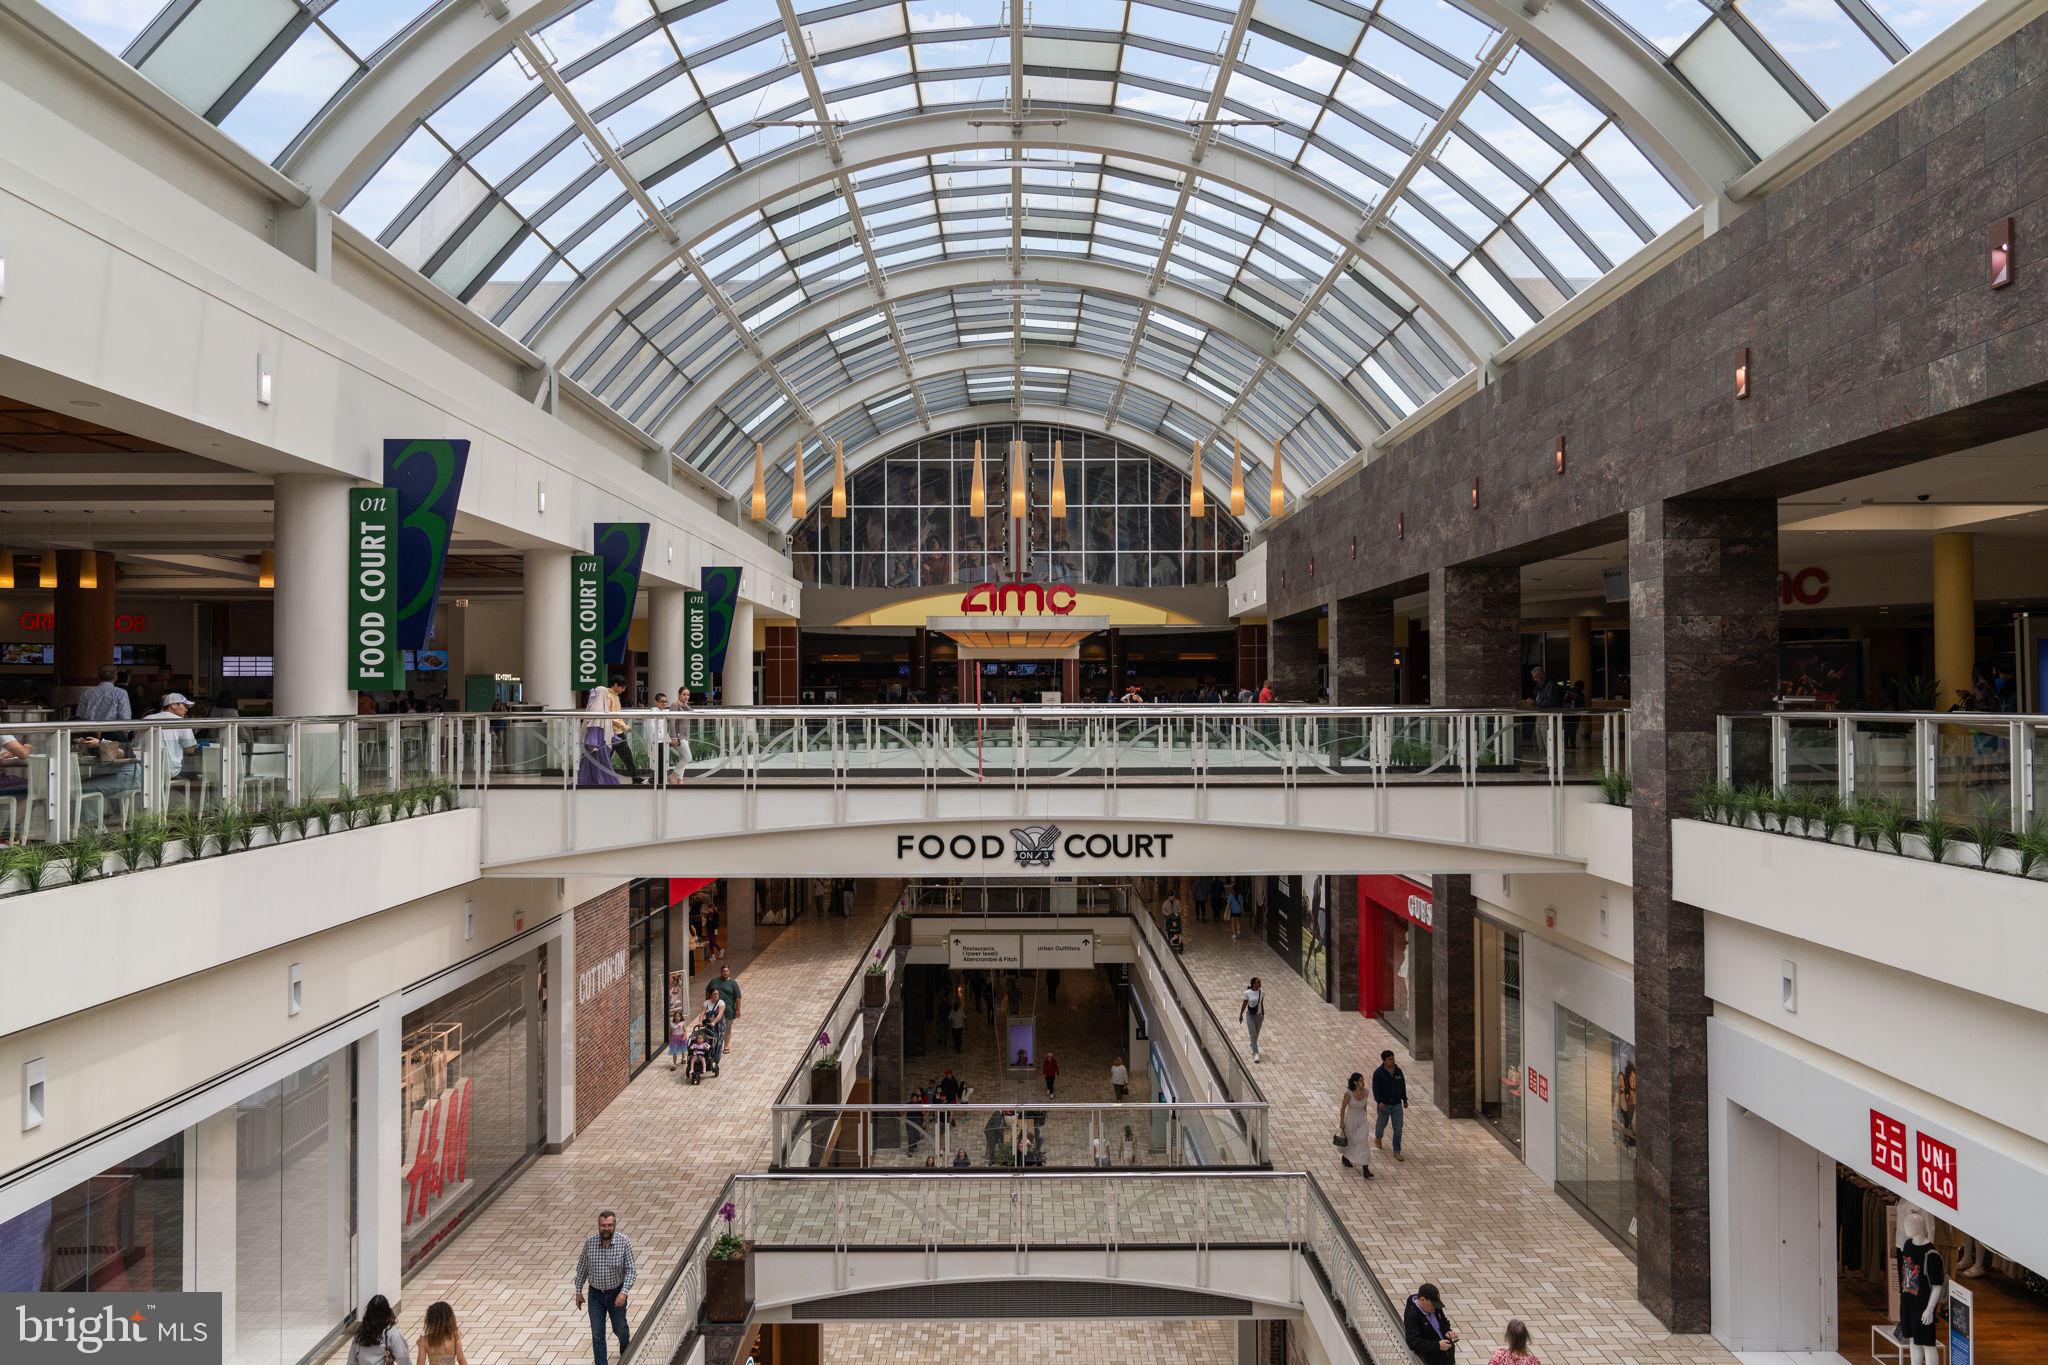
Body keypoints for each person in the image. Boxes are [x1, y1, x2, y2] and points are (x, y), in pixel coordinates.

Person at [573, 1210, 636, 1365]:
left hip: (617, 1293)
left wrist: (624, 1292)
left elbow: (631, 1270)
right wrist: (578, 1291)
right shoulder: (590, 1243)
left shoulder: (624, 1242)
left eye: (609, 1225)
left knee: (620, 1328)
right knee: (598, 1334)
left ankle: (624, 1343)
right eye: (603, 1225)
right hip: (596, 1295)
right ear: (599, 1226)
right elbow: (582, 1268)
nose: (606, 1228)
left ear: (614, 1225)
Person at [143, 693, 199, 778]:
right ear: (173, 705)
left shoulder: (147, 718)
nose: (186, 710)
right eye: (184, 706)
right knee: (196, 770)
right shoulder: (182, 722)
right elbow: (190, 750)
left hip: (146, 768)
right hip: (170, 771)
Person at [578, 683, 622, 786]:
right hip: (598, 743)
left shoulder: (597, 708)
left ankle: (591, 783)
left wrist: (614, 737)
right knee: (601, 765)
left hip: (598, 742)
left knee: (591, 765)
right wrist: (592, 743)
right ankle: (603, 783)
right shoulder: (598, 710)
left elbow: (604, 726)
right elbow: (595, 726)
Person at [347, 1295, 411, 1365]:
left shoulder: (360, 1333)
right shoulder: (390, 1332)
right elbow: (403, 1358)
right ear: (387, 1312)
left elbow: (351, 1361)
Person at [1404, 1283, 1458, 1365]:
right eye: (1433, 1305)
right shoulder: (1412, 1316)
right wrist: (1437, 1346)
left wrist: (1447, 1331)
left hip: (1447, 1358)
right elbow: (1413, 1342)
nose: (1435, 1308)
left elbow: (1443, 1321)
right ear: (1422, 1300)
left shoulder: (1434, 1307)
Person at [1373, 1050, 1409, 1160]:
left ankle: (1397, 1150)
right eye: (1389, 1059)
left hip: (1397, 1104)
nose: (1392, 1061)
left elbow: (1402, 1085)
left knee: (1398, 1128)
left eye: (1393, 1058)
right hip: (1384, 1105)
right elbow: (1376, 1089)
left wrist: (1405, 1099)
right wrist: (1379, 1102)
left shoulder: (1398, 1072)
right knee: (1381, 1124)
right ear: (1384, 1061)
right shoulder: (1378, 1073)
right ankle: (1378, 1137)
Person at [605, 676, 642, 783]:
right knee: (608, 756)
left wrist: (622, 726)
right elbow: (609, 716)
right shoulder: (608, 696)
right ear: (616, 685)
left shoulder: (615, 696)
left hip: (618, 731)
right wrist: (624, 726)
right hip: (611, 732)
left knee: (626, 755)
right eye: (622, 687)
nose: (623, 689)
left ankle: (635, 777)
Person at [1339, 1071, 1375, 1178]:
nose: (1363, 1082)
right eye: (1360, 1080)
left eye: (1363, 1080)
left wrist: (1365, 1114)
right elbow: (1343, 1108)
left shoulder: (1366, 1092)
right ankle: (1345, 1157)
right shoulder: (1348, 1094)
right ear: (1355, 1082)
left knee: (1363, 1142)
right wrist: (1341, 1121)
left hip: (1362, 1120)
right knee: (1351, 1140)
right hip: (1350, 1120)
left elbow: (1364, 1105)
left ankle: (1365, 1168)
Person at [416, 1301, 468, 1365]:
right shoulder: (454, 1337)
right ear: (450, 1320)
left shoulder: (424, 1341)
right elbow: (461, 1358)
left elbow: (420, 1363)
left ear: (430, 1321)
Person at [711, 965, 742, 1055]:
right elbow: (708, 992)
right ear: (721, 972)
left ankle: (726, 1046)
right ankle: (716, 1046)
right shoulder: (714, 981)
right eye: (723, 971)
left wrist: (738, 1009)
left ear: (729, 972)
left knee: (727, 1028)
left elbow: (738, 997)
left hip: (728, 1010)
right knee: (715, 1029)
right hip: (714, 1011)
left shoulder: (733, 983)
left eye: (727, 971)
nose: (725, 973)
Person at [1238, 976, 1265, 1062]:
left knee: (1256, 1034)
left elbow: (1261, 1004)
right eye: (1258, 982)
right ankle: (1256, 1054)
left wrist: (1263, 1014)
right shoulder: (1247, 993)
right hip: (1250, 1016)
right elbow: (1244, 1004)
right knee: (1253, 1034)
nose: (1260, 984)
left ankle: (1251, 1046)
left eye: (1260, 982)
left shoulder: (1262, 992)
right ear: (1253, 984)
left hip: (1259, 1016)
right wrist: (1241, 1014)